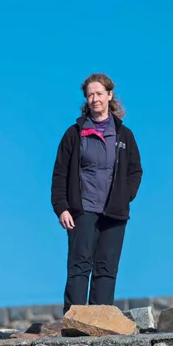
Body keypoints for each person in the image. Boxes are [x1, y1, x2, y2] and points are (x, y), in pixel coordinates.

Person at [50, 73, 143, 312]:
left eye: (99, 93)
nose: (95, 99)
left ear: (109, 95)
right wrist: (62, 208)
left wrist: (125, 196)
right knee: (80, 265)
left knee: (107, 267)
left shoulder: (125, 135)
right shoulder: (74, 134)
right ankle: (75, 321)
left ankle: (99, 323)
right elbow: (60, 173)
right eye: (90, 94)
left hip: (114, 212)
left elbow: (135, 171)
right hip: (82, 211)